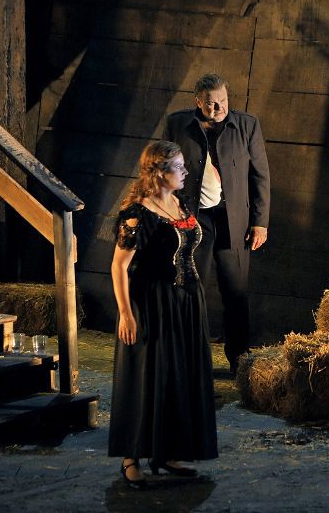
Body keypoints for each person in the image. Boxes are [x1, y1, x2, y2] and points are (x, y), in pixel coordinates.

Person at [108, 140, 218, 487]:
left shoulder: (178, 203)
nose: (186, 172)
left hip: (186, 300)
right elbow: (118, 267)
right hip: (151, 302)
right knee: (148, 373)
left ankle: (167, 453)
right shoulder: (136, 214)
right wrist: (126, 314)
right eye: (180, 167)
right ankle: (131, 457)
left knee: (178, 374)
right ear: (160, 172)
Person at [165, 73, 271, 374]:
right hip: (193, 220)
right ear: (198, 101)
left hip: (233, 219)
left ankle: (239, 359)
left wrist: (260, 222)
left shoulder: (247, 125)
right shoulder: (177, 124)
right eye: (211, 103)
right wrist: (169, 215)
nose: (218, 108)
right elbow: (165, 172)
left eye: (223, 101)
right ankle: (188, 356)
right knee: (190, 288)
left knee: (235, 291)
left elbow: (260, 176)